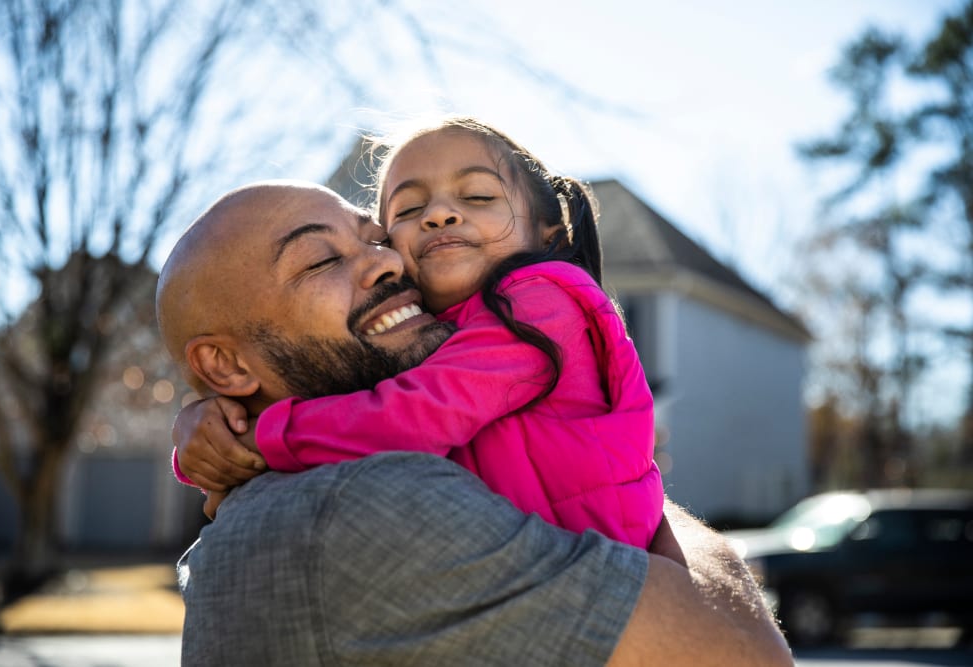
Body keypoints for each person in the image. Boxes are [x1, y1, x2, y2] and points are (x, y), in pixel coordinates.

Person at [156, 180, 793, 665]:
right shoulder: (369, 504)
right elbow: (745, 652)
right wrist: (616, 459)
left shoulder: (285, 498)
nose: (391, 263)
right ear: (225, 366)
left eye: (374, 238)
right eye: (321, 262)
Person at [176, 117, 662, 548]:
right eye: (407, 212)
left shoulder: (542, 301)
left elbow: (415, 413)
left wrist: (262, 439)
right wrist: (210, 423)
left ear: (548, 235)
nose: (439, 214)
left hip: (597, 570)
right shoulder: (431, 333)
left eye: (478, 196)